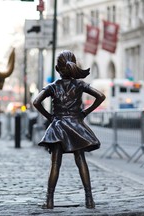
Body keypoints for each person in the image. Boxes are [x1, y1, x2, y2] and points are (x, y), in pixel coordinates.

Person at [33, 50, 106, 209]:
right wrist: (85, 112)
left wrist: (50, 117)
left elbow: (36, 102)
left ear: (56, 68)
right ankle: (89, 200)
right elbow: (100, 96)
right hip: (76, 126)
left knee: (55, 164)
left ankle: (49, 200)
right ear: (73, 66)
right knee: (81, 161)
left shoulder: (53, 87)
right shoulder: (79, 85)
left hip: (58, 127)